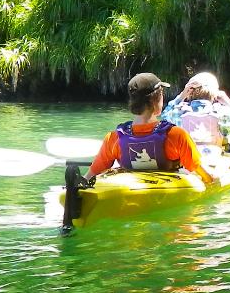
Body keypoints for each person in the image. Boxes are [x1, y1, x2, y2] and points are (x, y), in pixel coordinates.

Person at [61, 72, 216, 233]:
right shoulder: (176, 135)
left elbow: (90, 175)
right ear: (157, 101)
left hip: (127, 189)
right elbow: (206, 176)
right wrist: (215, 180)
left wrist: (75, 192)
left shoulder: (114, 138)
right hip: (161, 192)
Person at [159, 71, 230, 154]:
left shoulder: (178, 112)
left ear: (189, 92)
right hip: (213, 159)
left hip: (188, 161)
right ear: (215, 93)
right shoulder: (222, 112)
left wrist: (181, 97)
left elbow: (163, 118)